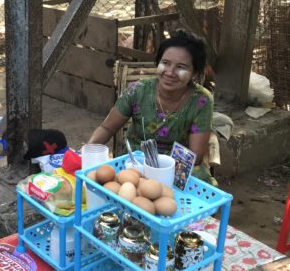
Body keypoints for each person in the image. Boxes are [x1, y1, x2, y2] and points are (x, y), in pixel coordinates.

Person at [88, 29, 216, 184]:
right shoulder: (138, 91)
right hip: (136, 161)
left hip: (177, 164)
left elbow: (194, 155)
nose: (170, 72)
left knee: (202, 182)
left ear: (194, 73)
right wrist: (87, 153)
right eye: (165, 63)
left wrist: (160, 171)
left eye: (181, 67)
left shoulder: (201, 100)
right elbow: (107, 128)